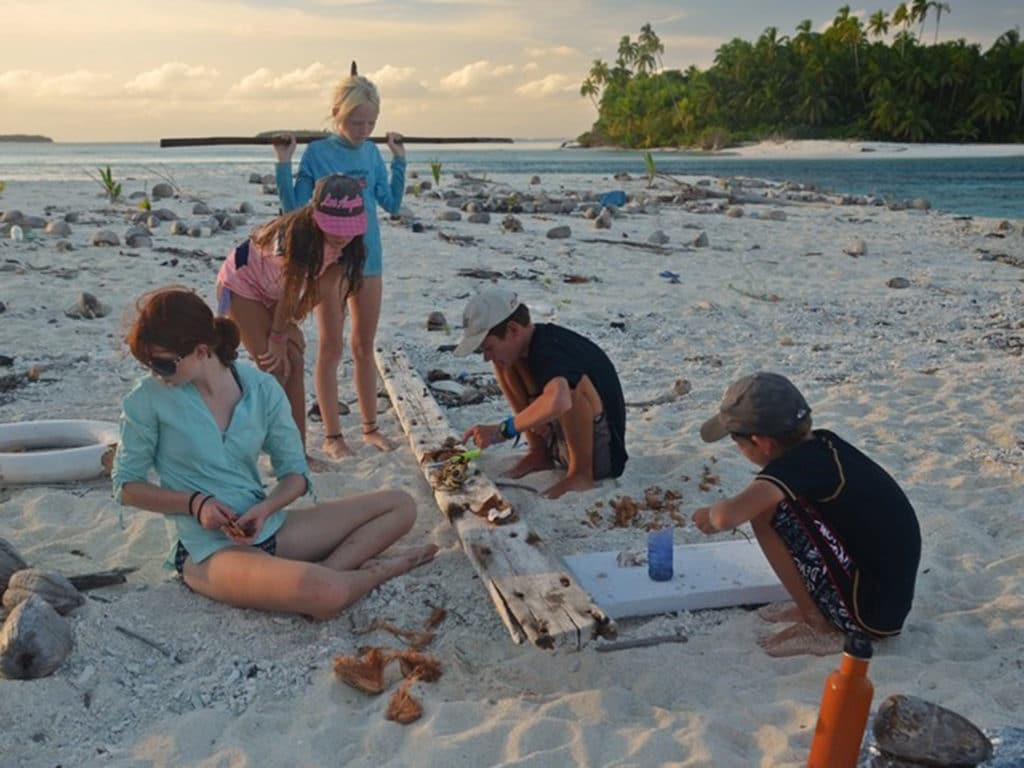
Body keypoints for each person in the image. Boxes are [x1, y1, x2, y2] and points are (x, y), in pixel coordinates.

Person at [112, 287, 436, 618]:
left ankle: (329, 570)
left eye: (163, 365)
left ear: (200, 350)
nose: (155, 373)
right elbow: (126, 485)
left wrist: (267, 508)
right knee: (327, 593)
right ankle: (375, 573)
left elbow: (294, 475)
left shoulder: (261, 388)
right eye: (148, 364)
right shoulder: (147, 399)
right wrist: (195, 504)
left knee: (401, 505)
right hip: (206, 549)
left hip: (267, 527)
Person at [693, 372, 921, 657]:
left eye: (738, 444)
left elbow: (726, 518)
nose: (739, 450)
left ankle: (819, 624)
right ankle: (814, 607)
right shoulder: (822, 444)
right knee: (772, 505)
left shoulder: (794, 467)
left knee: (762, 511)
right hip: (886, 592)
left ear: (762, 443)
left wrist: (708, 515)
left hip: (869, 613)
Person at [272, 65, 405, 455]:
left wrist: (399, 160)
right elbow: (293, 207)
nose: (363, 130)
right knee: (331, 347)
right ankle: (332, 435)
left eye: (370, 123)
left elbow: (392, 204)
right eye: (355, 121)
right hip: (329, 262)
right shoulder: (318, 153)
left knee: (364, 345)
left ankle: (369, 428)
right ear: (337, 113)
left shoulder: (371, 153)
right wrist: (283, 162)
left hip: (369, 259)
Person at [217, 173, 366, 465]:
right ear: (315, 213)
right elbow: (290, 289)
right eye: (335, 228)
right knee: (275, 368)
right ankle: (241, 445)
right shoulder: (296, 234)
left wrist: (287, 329)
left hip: (274, 296)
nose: (342, 236)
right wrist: (277, 336)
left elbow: (315, 292)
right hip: (241, 285)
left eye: (349, 229)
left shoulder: (349, 248)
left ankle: (295, 455)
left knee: (295, 363)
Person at [457, 288, 628, 498]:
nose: (485, 357)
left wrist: (503, 430)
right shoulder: (527, 347)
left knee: (572, 386)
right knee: (504, 363)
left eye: (488, 347)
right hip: (561, 441)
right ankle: (538, 452)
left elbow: (560, 400)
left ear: (513, 329)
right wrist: (539, 420)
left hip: (601, 457)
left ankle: (580, 475)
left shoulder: (550, 349)